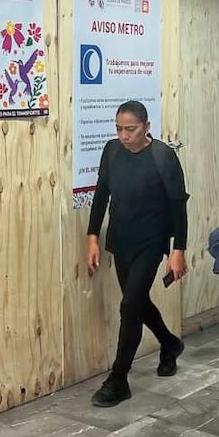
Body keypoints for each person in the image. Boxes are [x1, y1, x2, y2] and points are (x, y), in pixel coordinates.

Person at [86, 100, 189, 408]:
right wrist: (92, 236)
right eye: (118, 129)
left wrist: (178, 250)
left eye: (130, 129)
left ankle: (118, 379)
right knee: (138, 302)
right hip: (121, 239)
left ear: (146, 127)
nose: (123, 136)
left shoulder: (163, 157)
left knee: (129, 306)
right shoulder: (111, 151)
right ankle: (170, 343)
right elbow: (101, 192)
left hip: (151, 241)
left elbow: (178, 207)